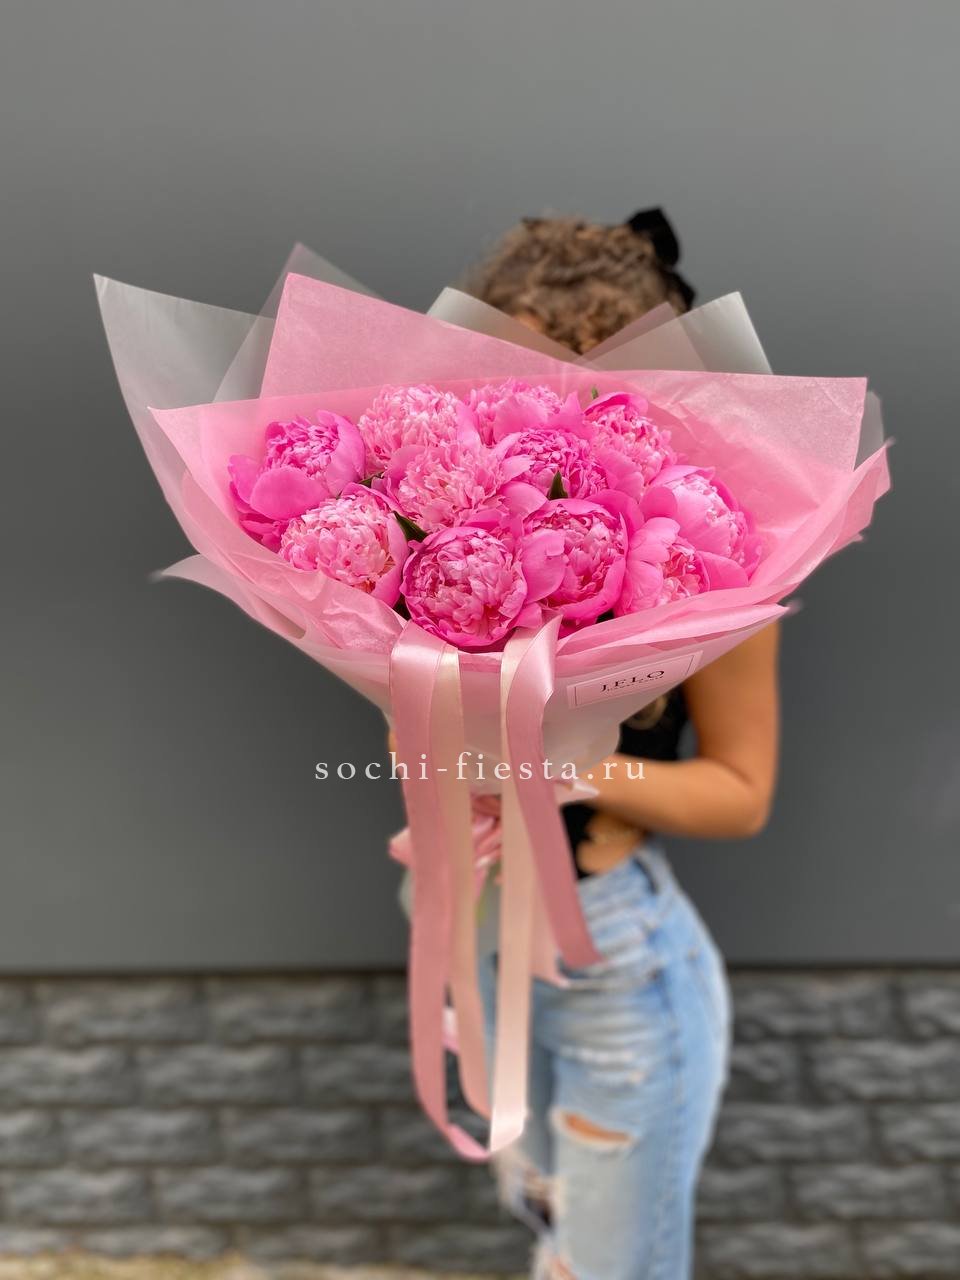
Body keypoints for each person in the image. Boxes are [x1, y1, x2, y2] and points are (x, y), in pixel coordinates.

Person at [392, 211, 780, 1280]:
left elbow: (742, 793)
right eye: (519, 381)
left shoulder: (714, 559)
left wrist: (557, 768)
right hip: (473, 931)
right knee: (548, 1232)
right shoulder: (437, 531)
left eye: (588, 386)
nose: (552, 419)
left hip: (610, 962)